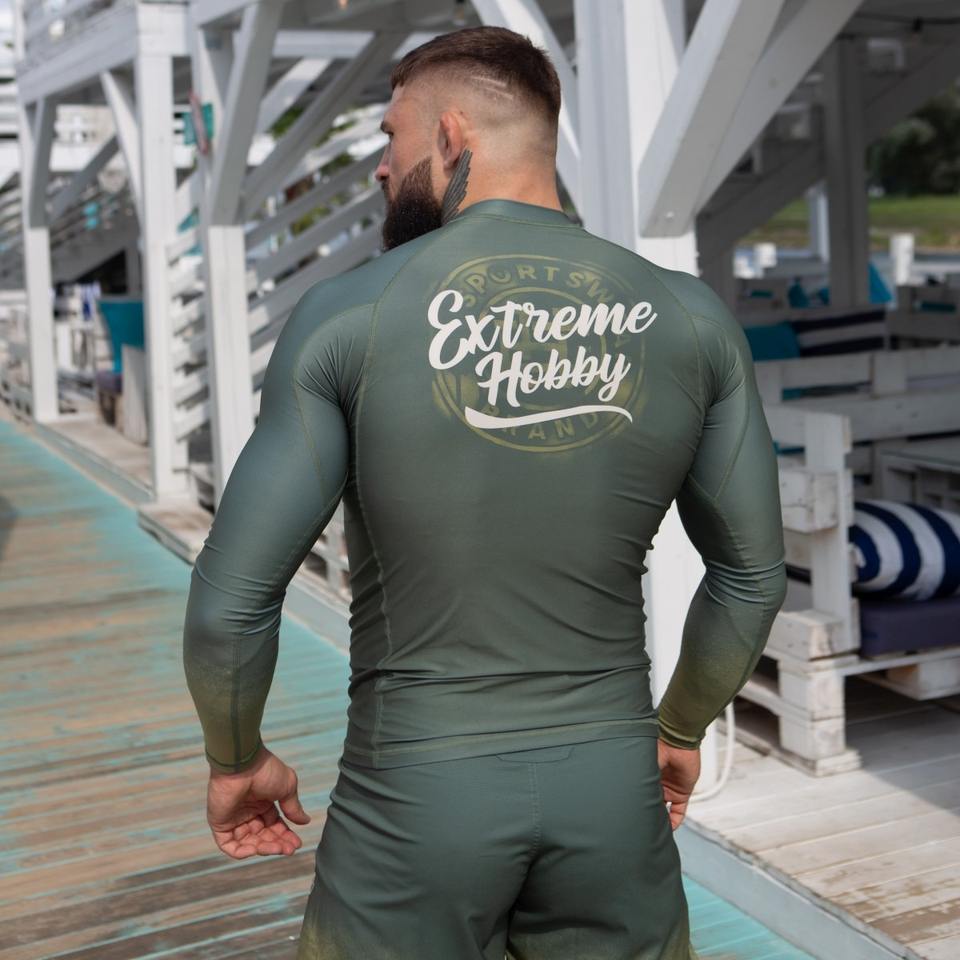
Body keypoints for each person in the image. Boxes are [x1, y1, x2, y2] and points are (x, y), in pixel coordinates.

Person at [182, 24, 787, 960]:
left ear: (452, 136)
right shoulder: (691, 318)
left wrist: (235, 757)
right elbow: (752, 576)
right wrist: (679, 727)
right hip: (612, 795)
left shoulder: (348, 317)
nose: (381, 168)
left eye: (391, 138)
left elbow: (233, 603)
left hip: (417, 801)